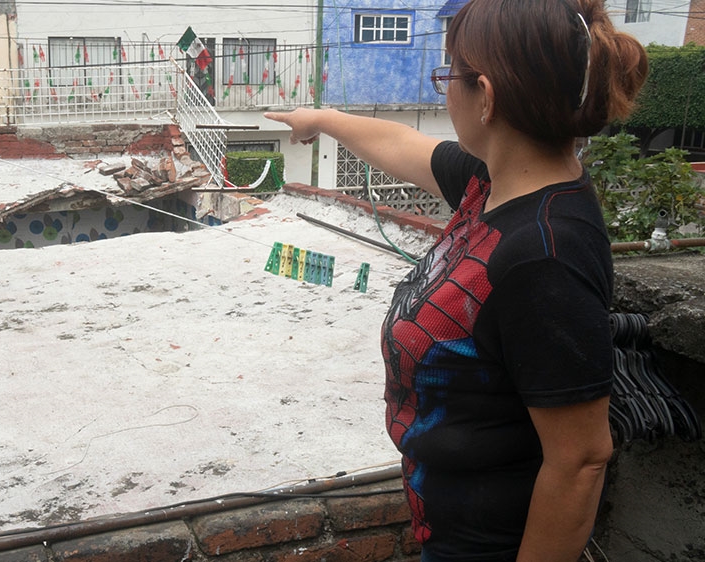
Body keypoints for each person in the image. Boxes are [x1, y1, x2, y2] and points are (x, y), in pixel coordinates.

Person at [265, 0, 648, 560]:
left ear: (485, 95)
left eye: (448, 76)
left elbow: (581, 459)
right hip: (446, 529)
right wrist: (320, 119)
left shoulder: (544, 252)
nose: (444, 90)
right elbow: (403, 145)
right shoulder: (492, 183)